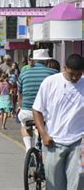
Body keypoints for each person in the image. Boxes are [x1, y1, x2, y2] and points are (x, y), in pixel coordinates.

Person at [33, 54, 83, 190]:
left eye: (78, 74)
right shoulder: (50, 82)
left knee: (78, 183)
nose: (74, 78)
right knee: (54, 185)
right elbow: (37, 110)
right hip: (53, 142)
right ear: (64, 68)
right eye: (71, 74)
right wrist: (43, 134)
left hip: (79, 144)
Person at [17, 49, 58, 152]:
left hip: (27, 111)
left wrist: (21, 106)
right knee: (43, 128)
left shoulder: (24, 74)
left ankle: (28, 149)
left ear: (33, 60)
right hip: (46, 113)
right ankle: (39, 149)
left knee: (25, 125)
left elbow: (20, 96)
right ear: (47, 61)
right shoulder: (54, 73)